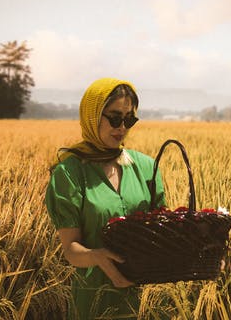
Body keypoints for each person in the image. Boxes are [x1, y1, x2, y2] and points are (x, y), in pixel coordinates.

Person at [45, 77, 165, 319]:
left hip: (146, 299)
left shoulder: (146, 167)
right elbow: (70, 249)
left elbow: (164, 232)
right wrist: (97, 257)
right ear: (92, 115)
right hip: (94, 300)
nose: (122, 127)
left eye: (129, 119)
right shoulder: (69, 173)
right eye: (114, 117)